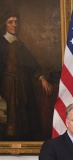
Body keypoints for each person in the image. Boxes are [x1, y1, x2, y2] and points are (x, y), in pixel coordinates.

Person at [0, 12, 52, 140]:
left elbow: (31, 63)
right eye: (10, 22)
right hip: (6, 85)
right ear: (4, 24)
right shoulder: (1, 42)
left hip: (22, 85)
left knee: (23, 117)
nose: (14, 25)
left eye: (16, 22)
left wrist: (42, 78)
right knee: (8, 117)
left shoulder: (20, 44)